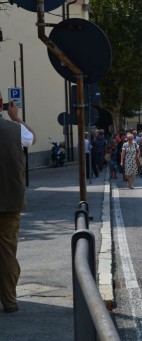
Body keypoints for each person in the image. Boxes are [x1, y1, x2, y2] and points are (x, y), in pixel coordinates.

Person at [0, 100, 36, 313]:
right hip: (8, 201)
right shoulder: (15, 130)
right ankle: (9, 300)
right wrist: (17, 118)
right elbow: (32, 139)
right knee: (6, 254)